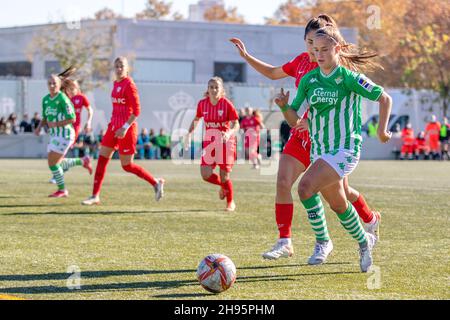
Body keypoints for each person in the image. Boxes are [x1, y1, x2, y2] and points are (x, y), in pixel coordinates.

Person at [230, 15, 381, 264]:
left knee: (340, 195)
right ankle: (286, 241)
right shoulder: (301, 62)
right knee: (283, 182)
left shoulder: (335, 65)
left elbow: (353, 104)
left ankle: (369, 220)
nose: (313, 48)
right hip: (300, 136)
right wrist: (246, 57)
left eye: (317, 43)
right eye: (309, 42)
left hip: (329, 141)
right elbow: (272, 72)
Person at [275, 25, 392, 272]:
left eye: (325, 49)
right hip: (320, 150)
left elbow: (384, 98)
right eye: (316, 50)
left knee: (305, 188)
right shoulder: (308, 80)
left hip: (345, 149)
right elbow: (296, 121)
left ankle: (322, 242)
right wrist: (286, 107)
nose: (319, 54)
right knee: (338, 205)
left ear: (337, 49)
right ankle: (364, 241)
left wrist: (382, 131)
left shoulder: (348, 77)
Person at [82, 57, 165, 206]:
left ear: (127, 69)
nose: (119, 69)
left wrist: (124, 128)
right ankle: (95, 196)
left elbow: (137, 111)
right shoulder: (115, 84)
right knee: (102, 159)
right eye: (116, 66)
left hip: (127, 129)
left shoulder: (130, 85)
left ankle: (155, 182)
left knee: (127, 165)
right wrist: (115, 126)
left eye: (122, 66)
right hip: (113, 127)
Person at [34, 70, 92, 198]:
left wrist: (57, 124)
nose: (52, 86)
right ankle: (82, 161)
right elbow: (45, 116)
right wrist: (39, 127)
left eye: (54, 83)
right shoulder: (45, 99)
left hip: (65, 134)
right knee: (56, 163)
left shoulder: (63, 98)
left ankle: (62, 190)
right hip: (55, 135)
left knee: (52, 163)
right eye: (50, 83)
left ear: (59, 85)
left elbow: (72, 118)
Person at [185, 77, 240, 212]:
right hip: (210, 142)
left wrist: (229, 133)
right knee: (205, 174)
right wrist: (189, 133)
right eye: (211, 87)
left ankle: (230, 202)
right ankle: (223, 186)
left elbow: (236, 124)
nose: (214, 90)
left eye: (216, 87)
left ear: (221, 89)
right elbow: (196, 119)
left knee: (224, 175)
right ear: (207, 89)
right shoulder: (202, 104)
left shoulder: (226, 104)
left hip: (226, 142)